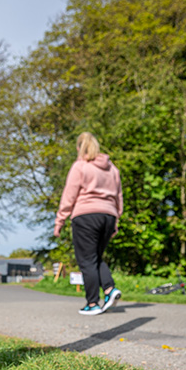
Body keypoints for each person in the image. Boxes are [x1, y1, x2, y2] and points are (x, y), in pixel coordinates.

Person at [54, 132, 123, 315]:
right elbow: (118, 197)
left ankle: (92, 303)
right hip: (108, 216)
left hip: (86, 215)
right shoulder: (112, 169)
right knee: (96, 258)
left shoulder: (80, 167)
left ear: (79, 148)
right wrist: (115, 220)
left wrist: (60, 220)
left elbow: (69, 196)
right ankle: (109, 289)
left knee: (86, 261)